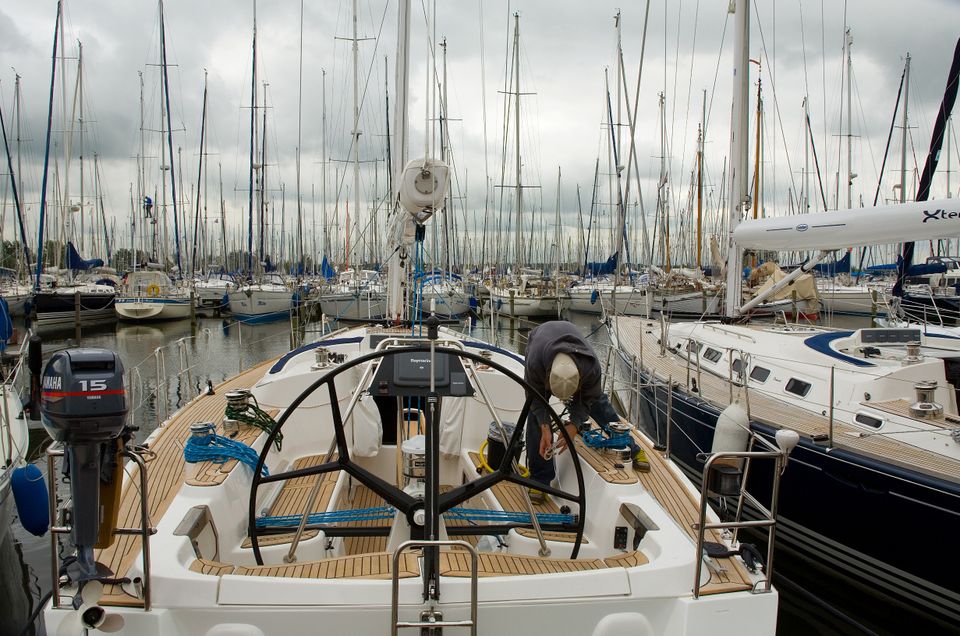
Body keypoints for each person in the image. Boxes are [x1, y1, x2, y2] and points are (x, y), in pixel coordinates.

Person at [524, 321, 649, 496]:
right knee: (535, 416)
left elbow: (587, 399)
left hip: (571, 348)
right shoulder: (535, 363)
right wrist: (545, 426)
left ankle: (632, 448)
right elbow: (536, 400)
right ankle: (540, 480)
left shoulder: (591, 367)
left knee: (600, 406)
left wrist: (573, 425)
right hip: (540, 341)